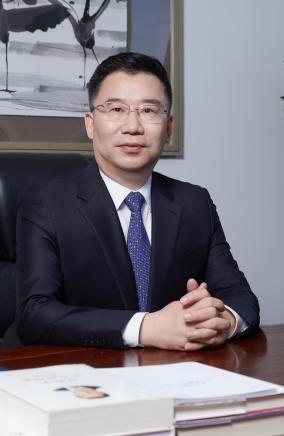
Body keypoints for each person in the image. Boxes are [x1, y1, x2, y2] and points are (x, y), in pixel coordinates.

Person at [15, 52, 259, 351]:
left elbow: (240, 298)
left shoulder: (194, 202)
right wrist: (146, 328)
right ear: (90, 124)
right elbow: (34, 314)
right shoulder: (46, 203)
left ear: (168, 127)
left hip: (178, 370)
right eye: (116, 109)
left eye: (148, 110)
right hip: (88, 371)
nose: (133, 126)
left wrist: (222, 322)